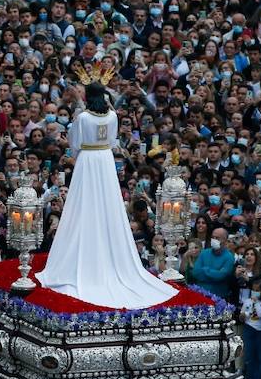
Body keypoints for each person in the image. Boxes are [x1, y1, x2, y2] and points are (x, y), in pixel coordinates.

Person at [36, 77, 177, 309]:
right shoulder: (112, 116)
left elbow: (75, 144)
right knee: (106, 203)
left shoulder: (82, 117)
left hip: (88, 160)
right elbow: (112, 141)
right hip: (105, 160)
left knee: (84, 203)